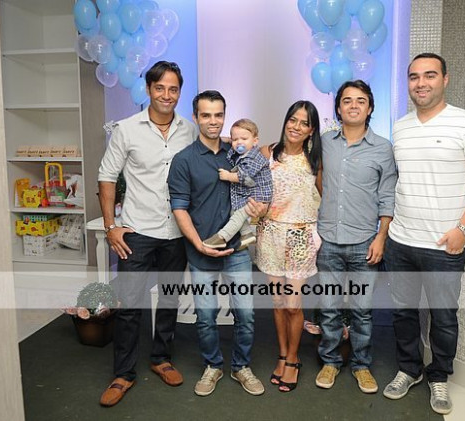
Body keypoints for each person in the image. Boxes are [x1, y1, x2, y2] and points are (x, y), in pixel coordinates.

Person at [382, 53, 465, 415]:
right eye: (414, 77)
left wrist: (463, 229)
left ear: (445, 79)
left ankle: (439, 376)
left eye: (430, 75)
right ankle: (409, 369)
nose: (421, 83)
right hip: (401, 241)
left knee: (443, 317)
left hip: (444, 246)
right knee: (403, 314)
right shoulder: (400, 127)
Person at [97, 61, 197, 407]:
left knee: (169, 298)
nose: (167, 95)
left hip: (176, 232)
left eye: (173, 89)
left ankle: (161, 358)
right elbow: (107, 176)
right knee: (130, 305)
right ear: (148, 89)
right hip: (137, 231)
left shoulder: (189, 130)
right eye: (160, 88)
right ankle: (123, 373)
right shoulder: (127, 130)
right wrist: (111, 226)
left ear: (179, 92)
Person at [168, 90, 266, 397]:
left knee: (246, 314)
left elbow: (260, 180)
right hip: (202, 252)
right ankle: (213, 366)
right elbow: (179, 208)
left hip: (237, 251)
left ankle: (241, 367)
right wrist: (198, 244)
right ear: (195, 117)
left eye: (219, 115)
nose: (213, 121)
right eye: (206, 115)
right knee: (206, 316)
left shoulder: (237, 152)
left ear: (225, 116)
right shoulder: (184, 160)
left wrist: (259, 205)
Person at [315, 80, 397, 393]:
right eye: (347, 100)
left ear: (370, 107)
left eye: (360, 100)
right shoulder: (326, 142)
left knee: (362, 311)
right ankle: (330, 361)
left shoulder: (382, 148)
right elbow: (317, 177)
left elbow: (387, 194)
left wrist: (381, 237)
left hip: (365, 242)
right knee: (330, 308)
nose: (353, 105)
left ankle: (362, 366)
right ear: (338, 108)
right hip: (329, 240)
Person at [255, 100, 323, 392]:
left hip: (300, 238)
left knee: (293, 305)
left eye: (304, 123)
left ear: (311, 130)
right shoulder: (267, 153)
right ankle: (282, 355)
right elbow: (249, 184)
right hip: (269, 234)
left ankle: (294, 359)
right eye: (292, 120)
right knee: (277, 302)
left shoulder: (315, 161)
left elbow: (324, 197)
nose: (296, 126)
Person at [202, 118, 273, 250]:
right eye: (235, 139)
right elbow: (233, 147)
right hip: (247, 193)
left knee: (238, 215)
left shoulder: (254, 157)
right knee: (233, 211)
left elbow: (246, 177)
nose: (239, 142)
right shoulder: (241, 154)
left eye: (244, 139)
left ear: (255, 141)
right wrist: (227, 140)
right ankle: (247, 234)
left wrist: (228, 176)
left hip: (257, 196)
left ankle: (222, 237)